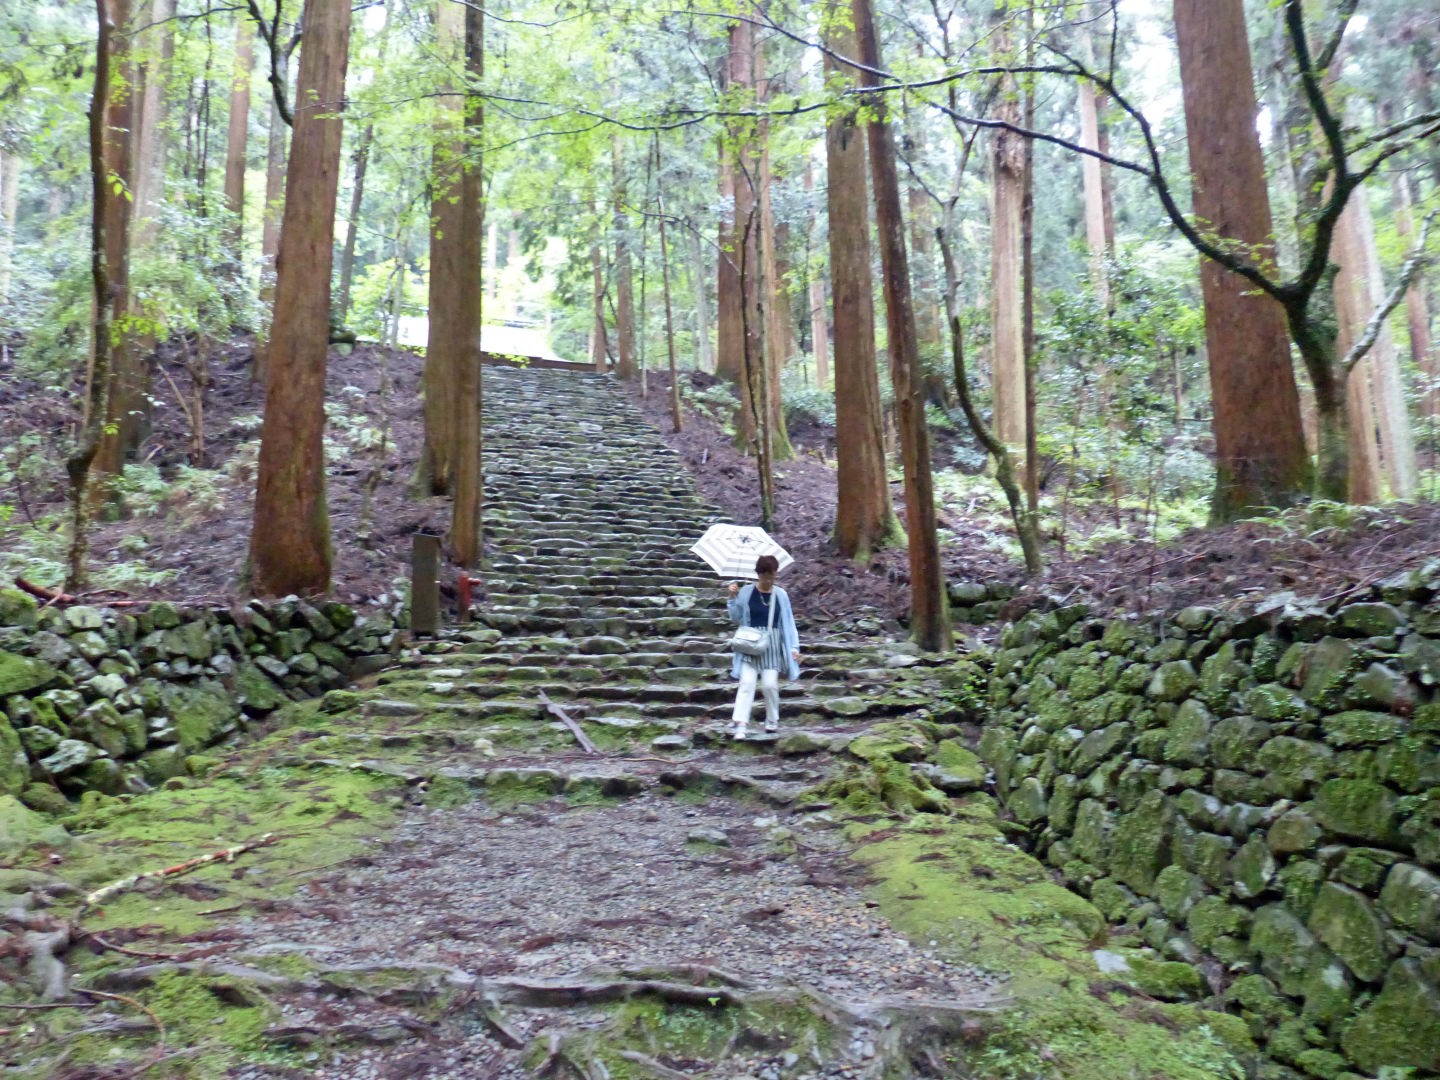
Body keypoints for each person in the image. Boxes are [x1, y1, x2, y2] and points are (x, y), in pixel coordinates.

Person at [726, 554, 801, 738]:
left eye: (772, 576)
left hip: (772, 646)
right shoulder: (746, 592)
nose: (768, 580)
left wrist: (794, 647)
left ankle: (772, 721)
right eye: (765, 576)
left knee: (770, 685)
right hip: (750, 645)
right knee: (746, 683)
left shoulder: (781, 595)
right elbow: (736, 617)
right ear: (758, 574)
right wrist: (732, 597)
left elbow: (788, 622)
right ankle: (741, 724)